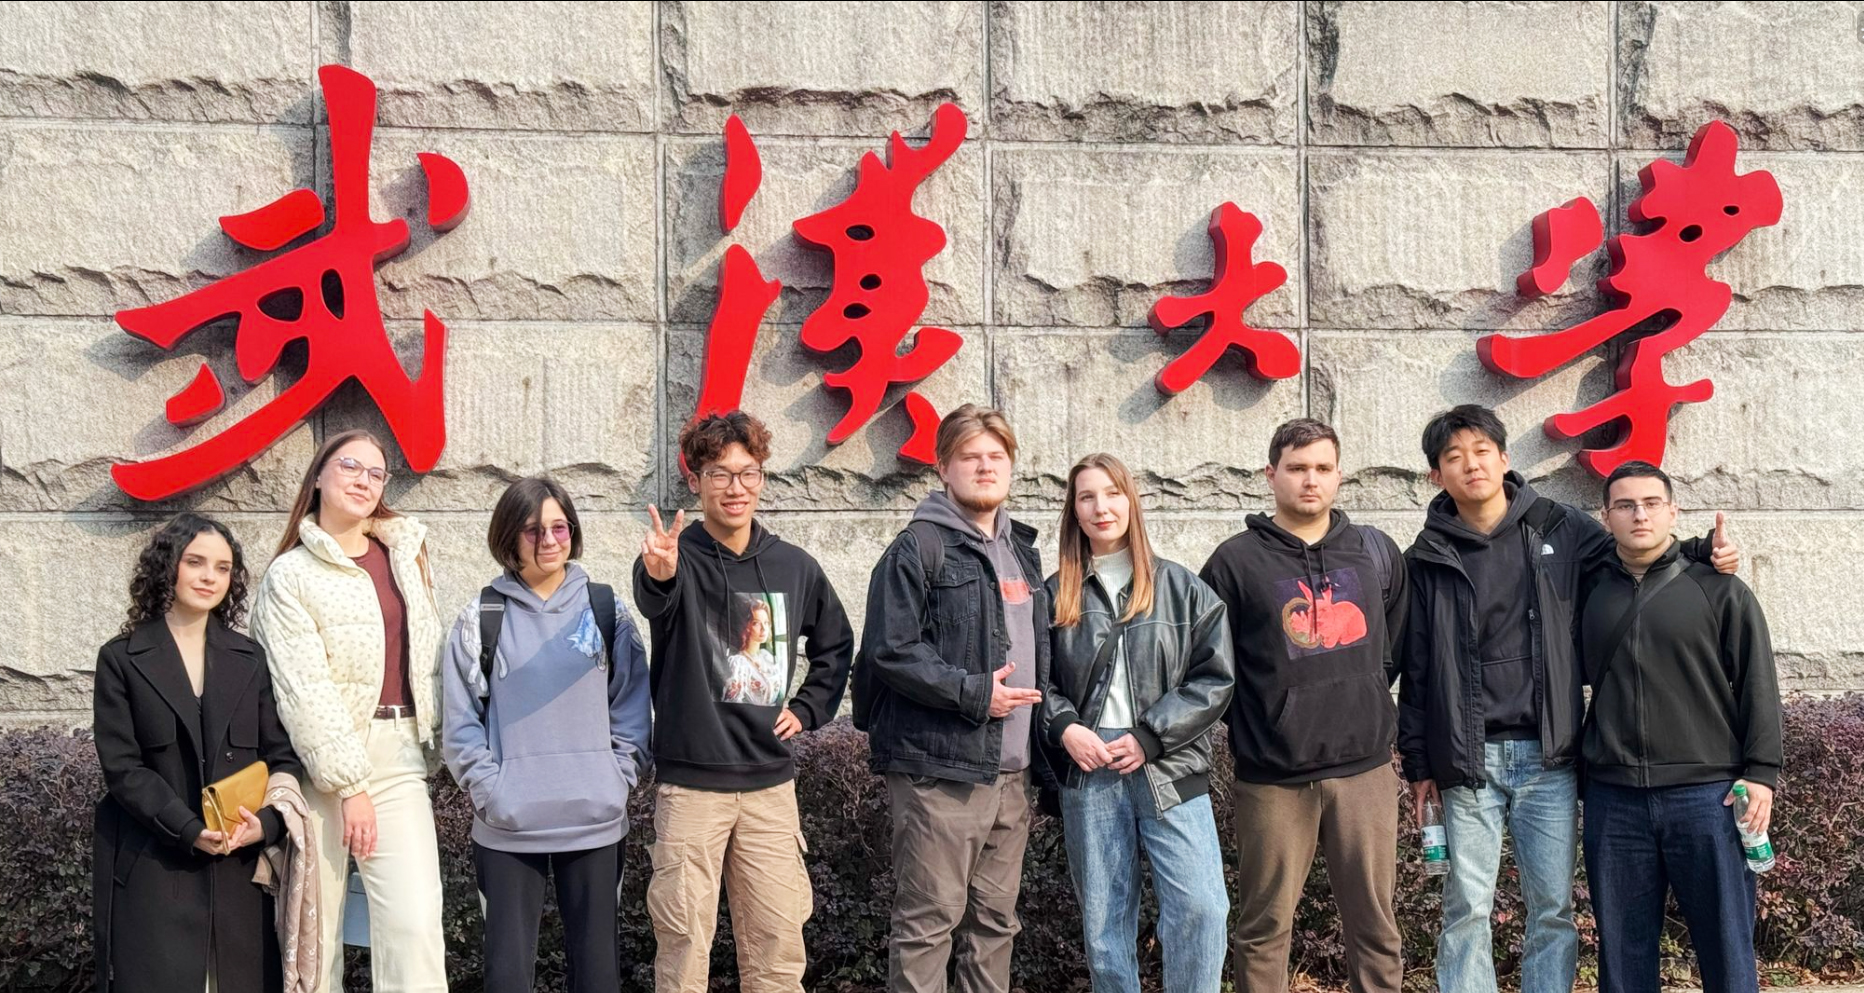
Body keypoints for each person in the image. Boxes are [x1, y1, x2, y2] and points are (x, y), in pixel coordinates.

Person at [1398, 405, 1741, 993]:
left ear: (1504, 458)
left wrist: (1701, 549)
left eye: (1481, 451)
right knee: (1467, 909)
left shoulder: (1559, 526)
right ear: (1436, 475)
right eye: (1453, 457)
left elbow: (1634, 552)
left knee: (1553, 910)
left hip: (1549, 757)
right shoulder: (1425, 557)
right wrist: (1418, 762)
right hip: (1466, 759)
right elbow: (1418, 666)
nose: (1471, 465)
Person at [634, 411, 855, 993]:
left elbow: (835, 644)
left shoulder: (793, 566)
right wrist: (659, 574)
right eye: (719, 474)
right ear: (695, 481)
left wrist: (808, 708)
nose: (735, 487)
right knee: (683, 949)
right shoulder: (675, 556)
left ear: (761, 477)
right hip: (691, 787)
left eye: (747, 473)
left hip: (768, 787)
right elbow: (655, 596)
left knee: (778, 949)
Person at [1197, 418, 1408, 993]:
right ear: (1270, 475)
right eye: (1296, 468)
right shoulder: (1234, 563)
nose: (1310, 480)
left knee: (1376, 927)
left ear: (1339, 475)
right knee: (1264, 928)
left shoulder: (1373, 552)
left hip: (1364, 771)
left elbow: (1392, 649)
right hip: (1274, 777)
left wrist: (1362, 703)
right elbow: (1212, 665)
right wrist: (1270, 722)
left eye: (1322, 468)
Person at [855, 403, 1050, 993]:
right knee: (928, 925)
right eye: (970, 457)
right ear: (943, 467)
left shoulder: (1022, 549)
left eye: (996, 456)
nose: (985, 467)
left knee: (995, 925)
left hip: (1011, 772)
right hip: (941, 774)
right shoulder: (917, 548)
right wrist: (973, 693)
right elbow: (890, 650)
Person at [249, 429, 448, 992]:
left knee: (414, 925)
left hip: (399, 755)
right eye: (350, 467)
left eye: (376, 473)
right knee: (317, 935)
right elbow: (302, 688)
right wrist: (348, 785)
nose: (364, 481)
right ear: (318, 476)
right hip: (322, 771)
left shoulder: (405, 554)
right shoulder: (290, 575)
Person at [442, 476, 652, 993]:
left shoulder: (606, 610)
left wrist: (617, 779)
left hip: (595, 820)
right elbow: (460, 721)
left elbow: (631, 705)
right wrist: (492, 792)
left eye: (560, 527)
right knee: (507, 977)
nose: (550, 540)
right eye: (534, 530)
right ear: (508, 537)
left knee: (598, 975)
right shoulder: (481, 617)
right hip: (510, 827)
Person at [1578, 461, 1781, 993]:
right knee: (1623, 958)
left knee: (1726, 947)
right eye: (1625, 505)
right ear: (1606, 517)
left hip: (1708, 796)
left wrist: (1762, 772)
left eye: (1651, 503)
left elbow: (1758, 679)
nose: (1639, 515)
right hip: (1614, 799)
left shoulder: (1720, 589)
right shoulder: (1587, 591)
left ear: (1673, 511)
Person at [1042, 453, 1234, 993]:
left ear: (1132, 501)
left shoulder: (1182, 587)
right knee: (1105, 928)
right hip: (1089, 766)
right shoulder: (1054, 594)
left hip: (1169, 762)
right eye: (1087, 497)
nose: (1101, 507)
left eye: (1112, 493)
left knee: (1203, 908)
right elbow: (1037, 680)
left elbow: (1215, 678)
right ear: (1074, 511)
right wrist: (1065, 727)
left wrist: (1151, 736)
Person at [92, 513, 302, 993]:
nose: (210, 577)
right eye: (196, 562)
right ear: (167, 566)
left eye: (223, 568)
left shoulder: (250, 658)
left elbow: (283, 759)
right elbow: (123, 769)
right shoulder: (121, 658)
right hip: (155, 866)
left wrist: (266, 825)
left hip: (240, 874)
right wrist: (188, 829)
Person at [723, 595, 784, 705]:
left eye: (766, 623)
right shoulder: (739, 663)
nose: (764, 629)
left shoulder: (767, 657)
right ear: (746, 626)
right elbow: (733, 703)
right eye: (756, 623)